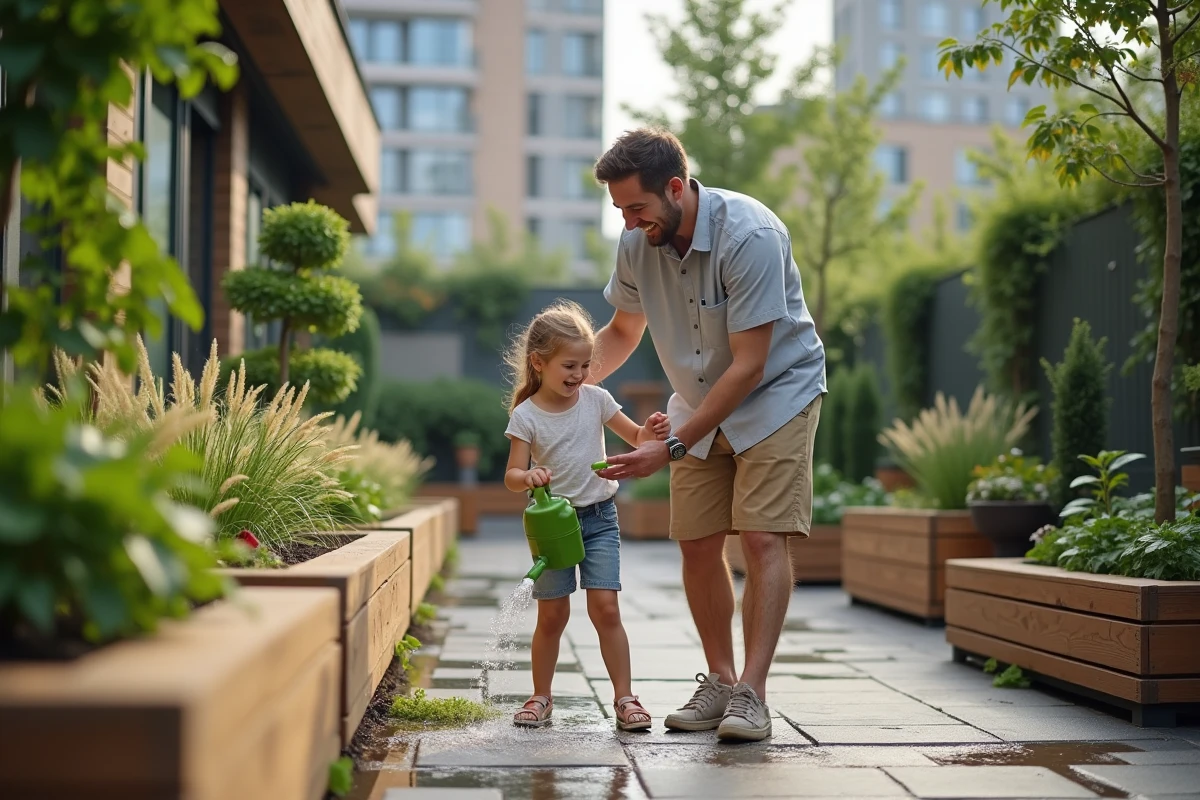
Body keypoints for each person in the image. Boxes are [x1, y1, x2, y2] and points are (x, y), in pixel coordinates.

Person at [588, 127, 827, 742]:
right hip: (698, 398)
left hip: (776, 395)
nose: (630, 221)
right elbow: (622, 330)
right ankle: (719, 680)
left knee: (760, 538)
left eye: (637, 207)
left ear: (675, 188)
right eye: (620, 210)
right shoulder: (638, 242)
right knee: (696, 541)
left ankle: (752, 693)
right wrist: (555, 386)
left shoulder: (751, 235)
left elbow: (749, 364)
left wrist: (668, 446)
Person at [502, 299, 672, 731]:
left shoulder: (595, 399)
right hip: (553, 527)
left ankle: (625, 698)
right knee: (552, 616)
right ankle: (541, 696)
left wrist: (649, 433)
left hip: (599, 519)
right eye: (569, 367)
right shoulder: (526, 416)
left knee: (606, 609)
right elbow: (511, 476)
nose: (579, 376)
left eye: (584, 366)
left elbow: (633, 436)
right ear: (539, 363)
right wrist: (529, 476)